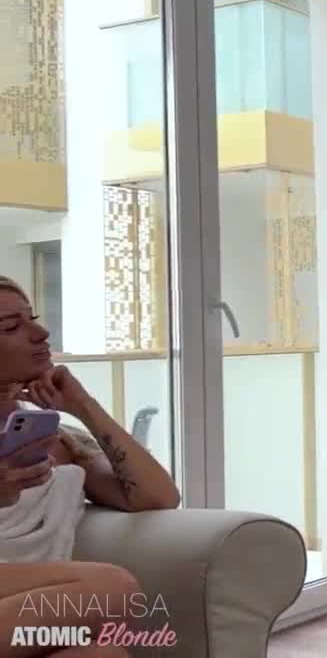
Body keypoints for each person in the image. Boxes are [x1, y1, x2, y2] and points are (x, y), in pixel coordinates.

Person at [0, 276, 181, 657]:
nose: (41, 333)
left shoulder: (61, 442)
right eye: (12, 327)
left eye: (33, 319)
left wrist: (83, 406)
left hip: (20, 621)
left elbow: (157, 496)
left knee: (104, 654)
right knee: (115, 588)